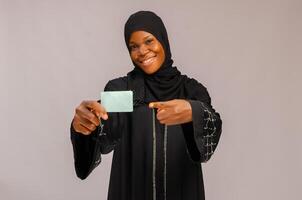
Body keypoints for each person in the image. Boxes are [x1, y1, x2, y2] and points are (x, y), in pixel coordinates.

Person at [70, 11, 222, 200]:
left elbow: (210, 138)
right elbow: (103, 127)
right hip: (131, 191)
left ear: (162, 40)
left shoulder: (190, 90)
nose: (141, 51)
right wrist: (84, 125)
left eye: (149, 41)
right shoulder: (123, 91)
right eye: (134, 46)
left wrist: (194, 111)